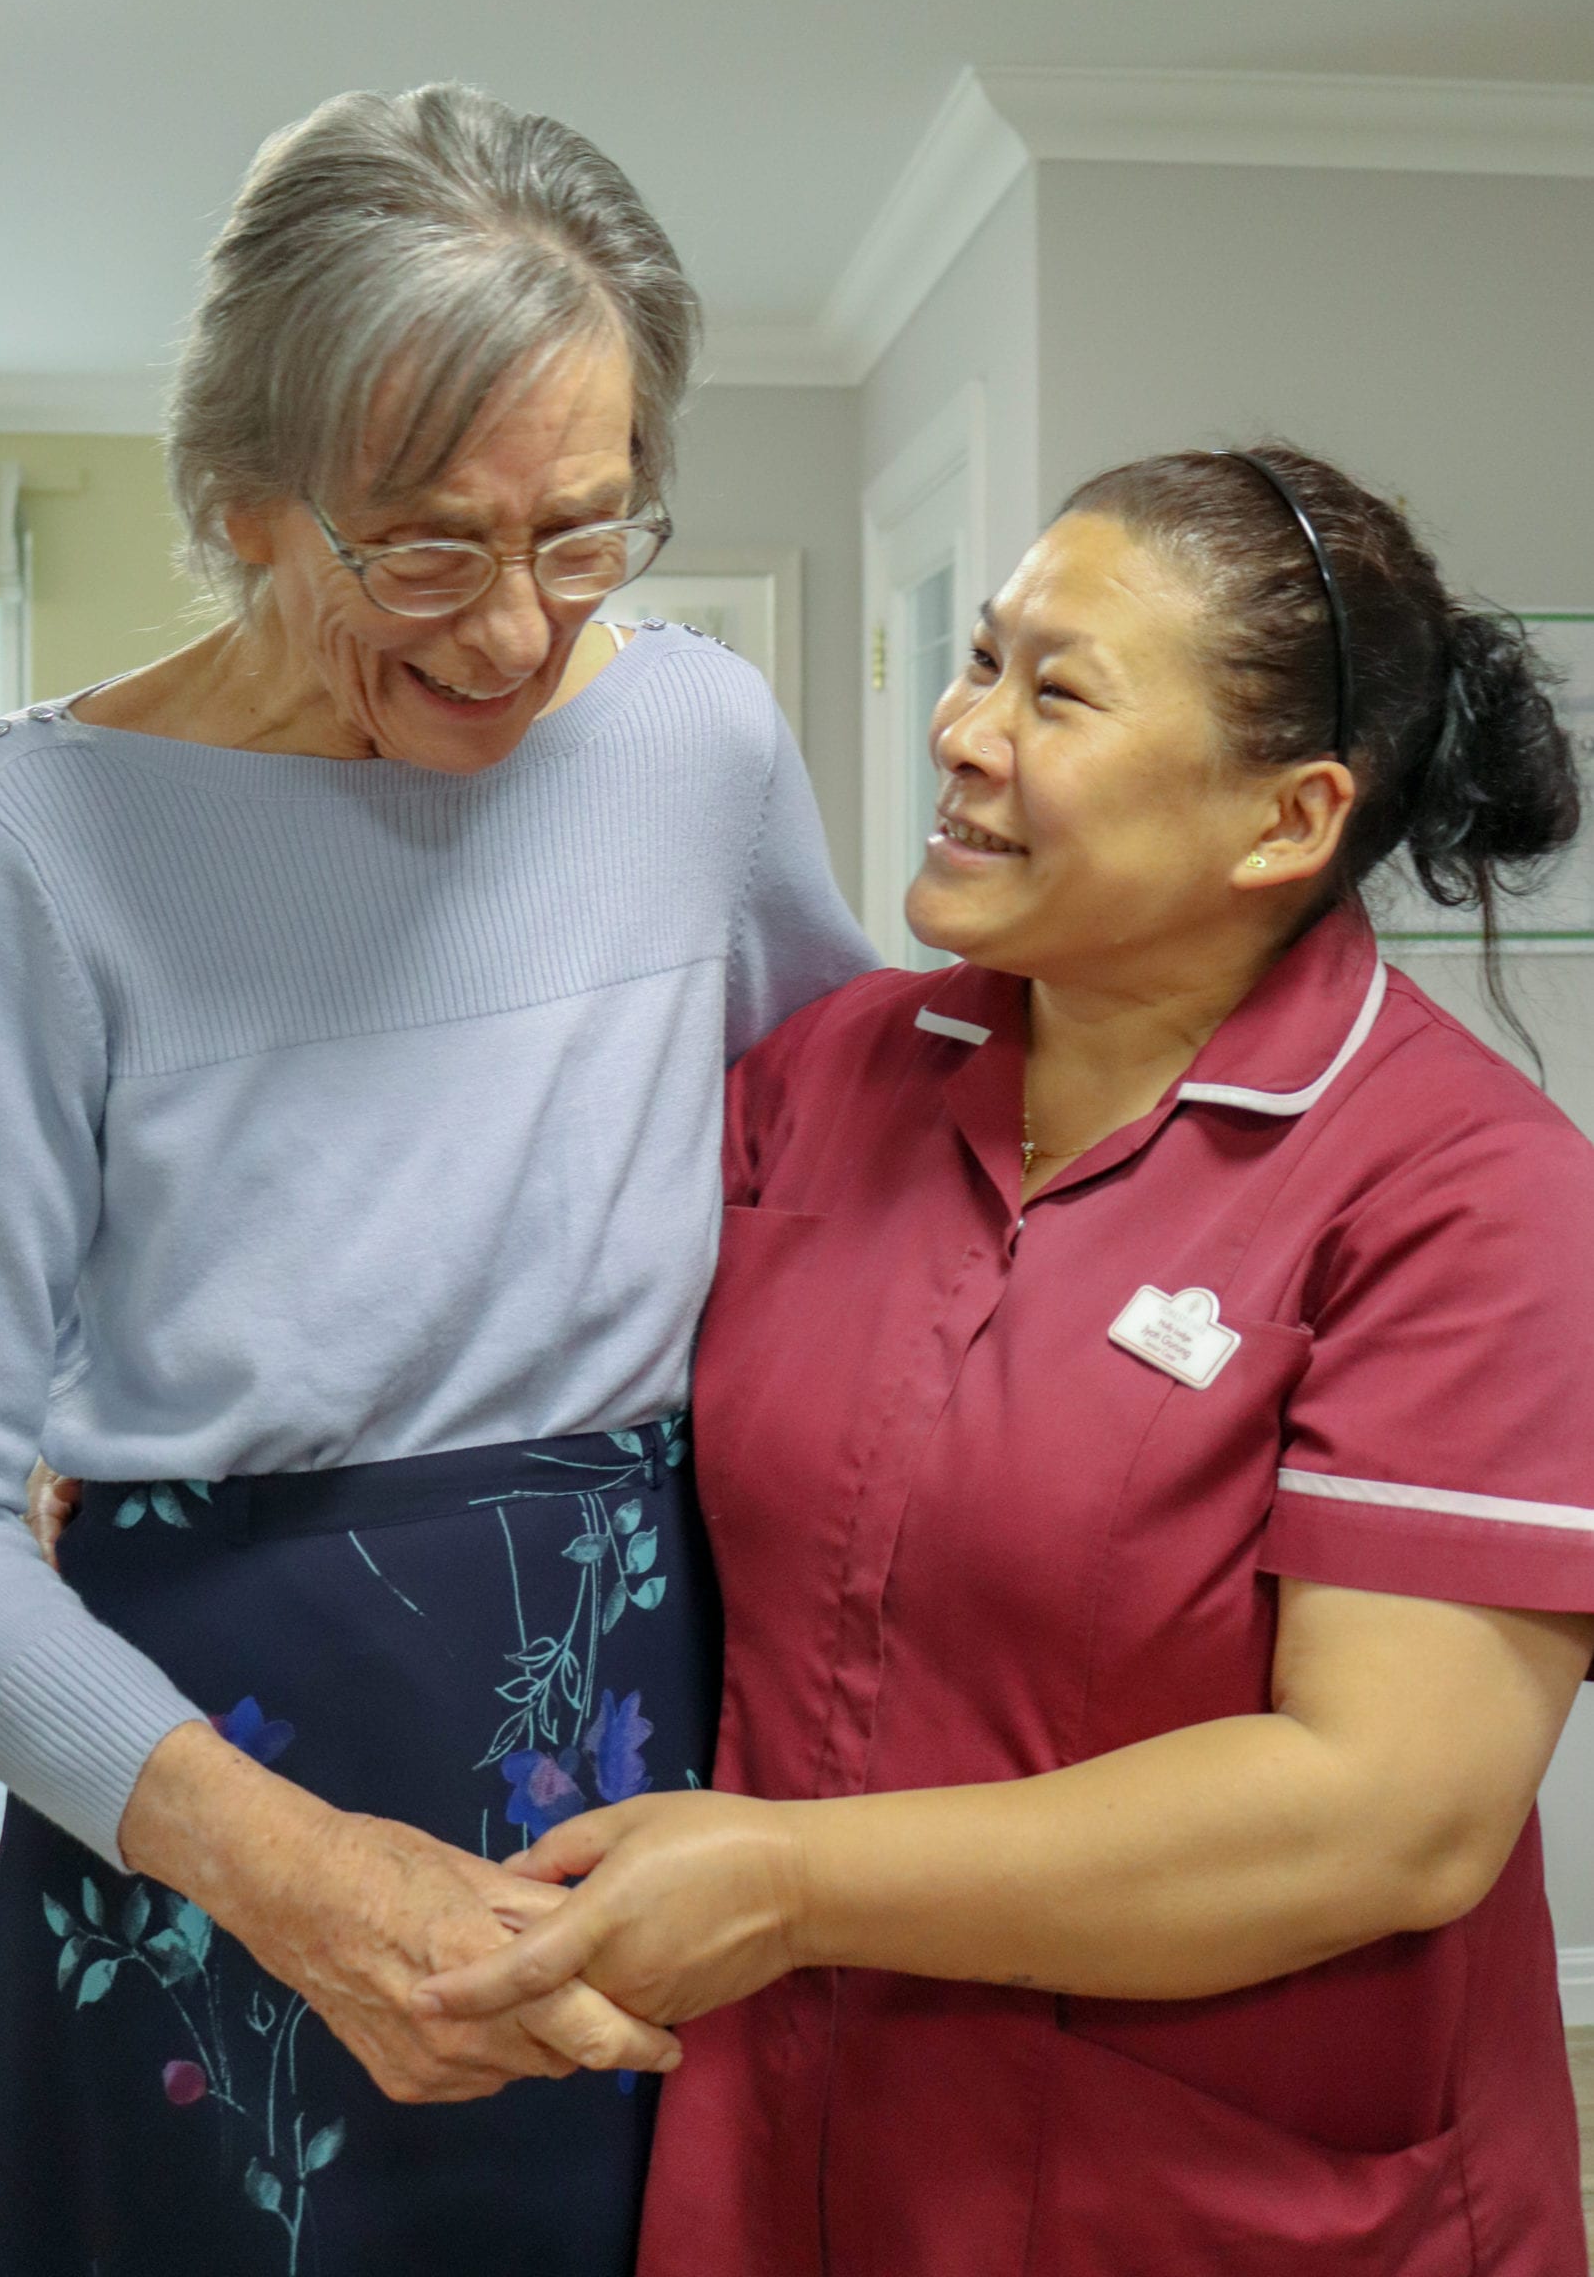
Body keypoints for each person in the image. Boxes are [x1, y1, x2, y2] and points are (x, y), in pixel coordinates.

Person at [0, 80, 872, 2277]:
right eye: (425, 548)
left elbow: (859, 1165)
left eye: (584, 535)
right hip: (199, 1770)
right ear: (242, 498)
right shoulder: (18, 845)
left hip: (626, 1703)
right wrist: (294, 1878)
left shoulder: (694, 742)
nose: (511, 634)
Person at [424, 445, 1594, 2275]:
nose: (963, 733)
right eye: (984, 660)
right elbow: (515, 1326)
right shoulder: (832, 1076)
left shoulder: (1471, 1195)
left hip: (1214, 2199)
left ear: (1284, 821)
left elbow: (1387, 1815)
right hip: (790, 2139)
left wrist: (792, 1884)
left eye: (1059, 695)